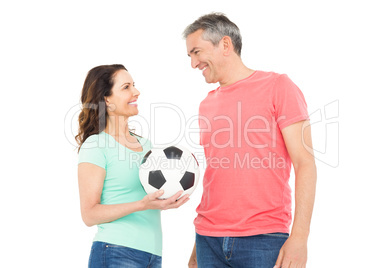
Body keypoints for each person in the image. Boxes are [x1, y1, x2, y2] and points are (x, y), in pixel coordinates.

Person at [183, 13, 317, 268]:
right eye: (189, 56)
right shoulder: (206, 104)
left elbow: (305, 164)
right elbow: (217, 177)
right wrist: (196, 243)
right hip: (207, 240)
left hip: (263, 238)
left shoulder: (278, 86)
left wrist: (300, 237)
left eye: (196, 52)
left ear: (225, 44)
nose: (193, 63)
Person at [76, 64, 189, 268]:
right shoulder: (96, 145)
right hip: (115, 251)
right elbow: (89, 215)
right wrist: (141, 205)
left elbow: (145, 199)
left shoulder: (146, 145)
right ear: (106, 99)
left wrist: (164, 201)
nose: (136, 92)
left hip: (152, 254)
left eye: (134, 85)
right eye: (126, 87)